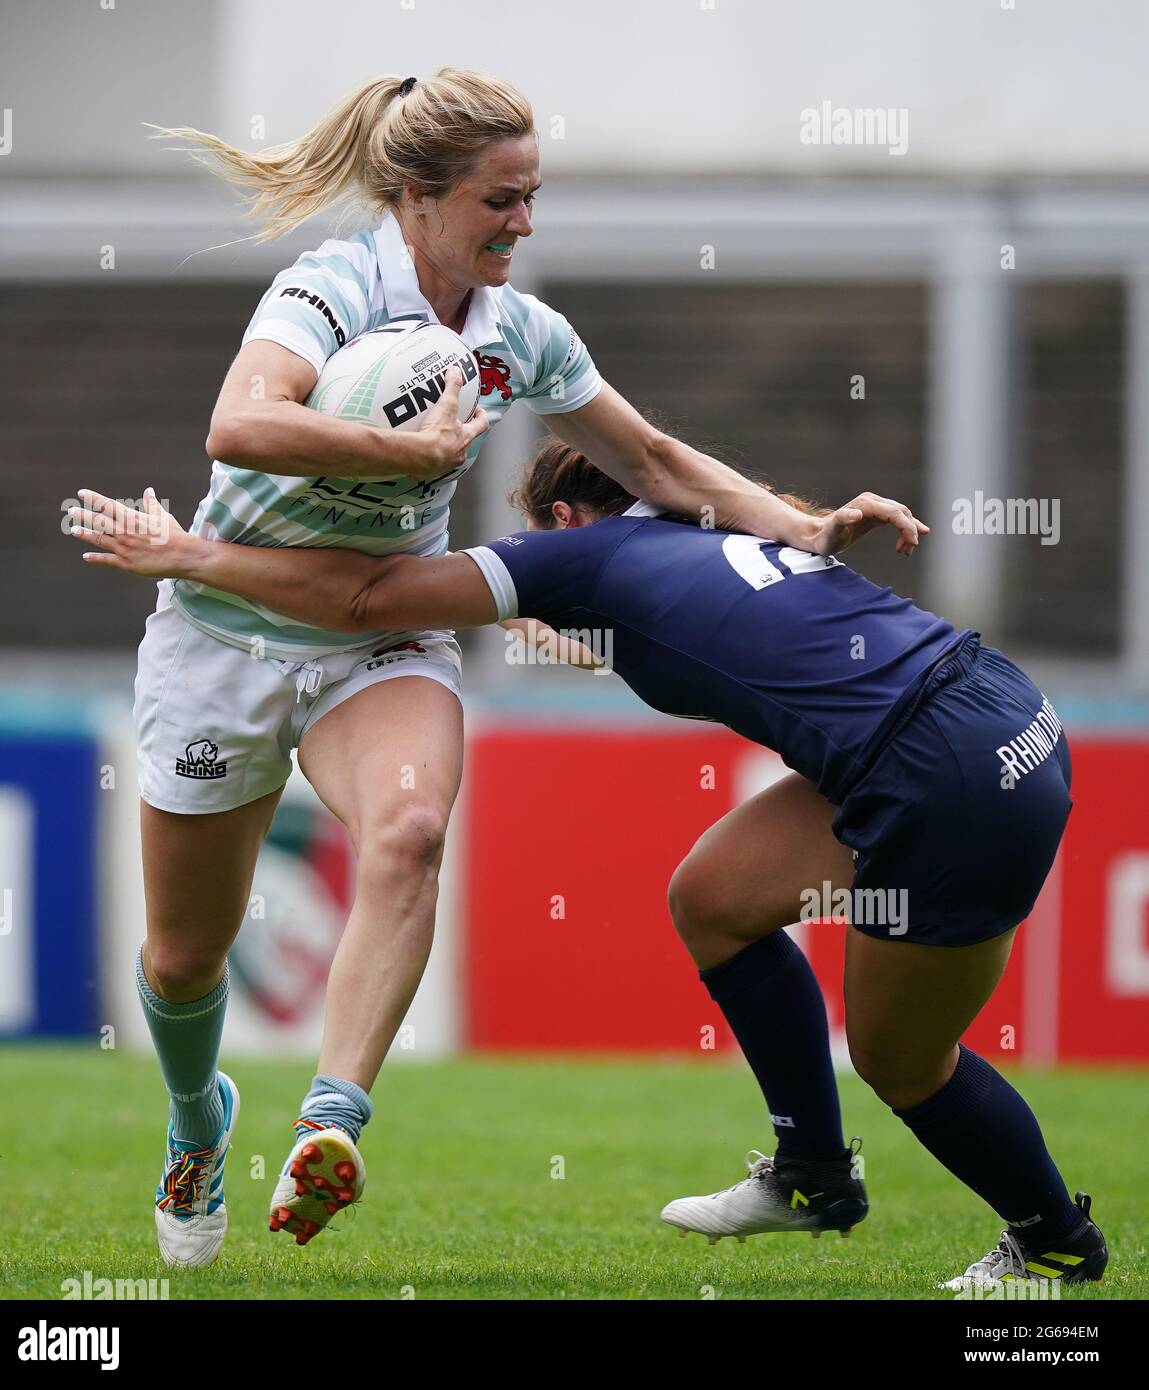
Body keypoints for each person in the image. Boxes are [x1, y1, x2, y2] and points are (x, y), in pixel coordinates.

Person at [118, 67, 925, 1265]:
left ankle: (330, 1122)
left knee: (407, 830)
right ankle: (197, 1122)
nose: (524, 223)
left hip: (378, 637)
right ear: (417, 195)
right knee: (186, 954)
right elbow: (238, 426)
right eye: (502, 200)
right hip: (223, 628)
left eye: (533, 195)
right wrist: (400, 450)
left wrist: (796, 525)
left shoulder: (519, 334)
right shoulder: (328, 286)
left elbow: (651, 461)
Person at [69, 444, 1107, 1291]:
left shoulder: (585, 557)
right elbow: (686, 627)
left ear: (564, 523)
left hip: (940, 774)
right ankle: (809, 1173)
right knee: (712, 898)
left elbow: (365, 597)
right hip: (986, 711)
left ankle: (1052, 1239)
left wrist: (189, 554)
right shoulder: (709, 534)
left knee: (899, 1059)